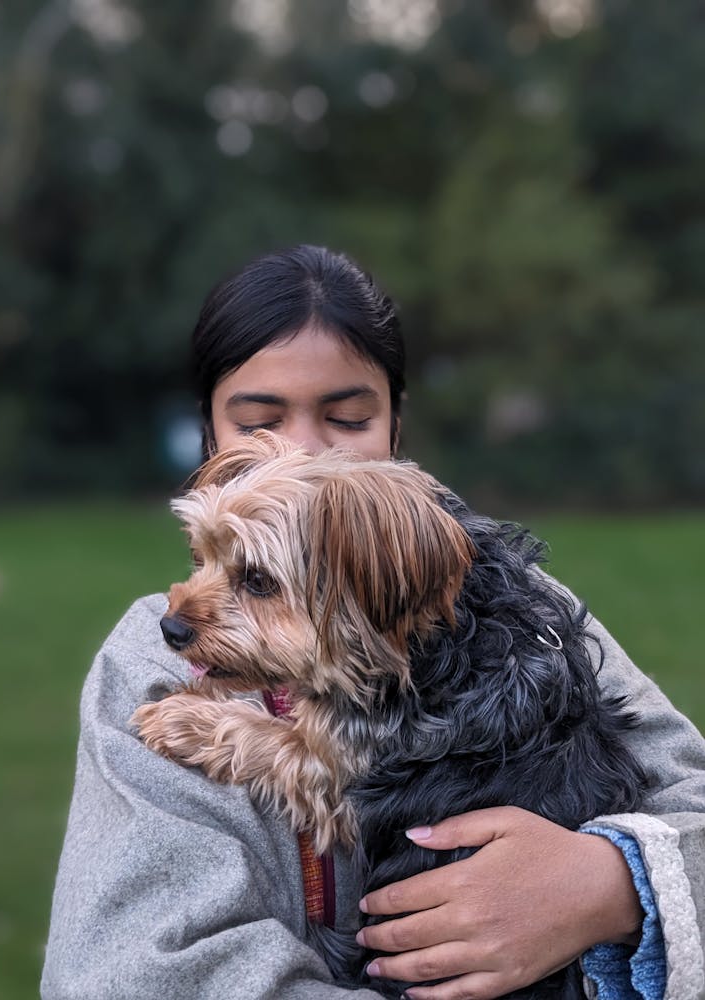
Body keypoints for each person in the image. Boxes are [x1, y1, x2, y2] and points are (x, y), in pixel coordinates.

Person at [41, 245, 705, 1000]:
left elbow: (692, 794)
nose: (302, 454)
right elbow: (132, 968)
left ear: (394, 426)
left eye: (349, 418)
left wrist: (610, 882)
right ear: (209, 439)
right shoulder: (154, 663)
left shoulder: (528, 616)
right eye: (258, 422)